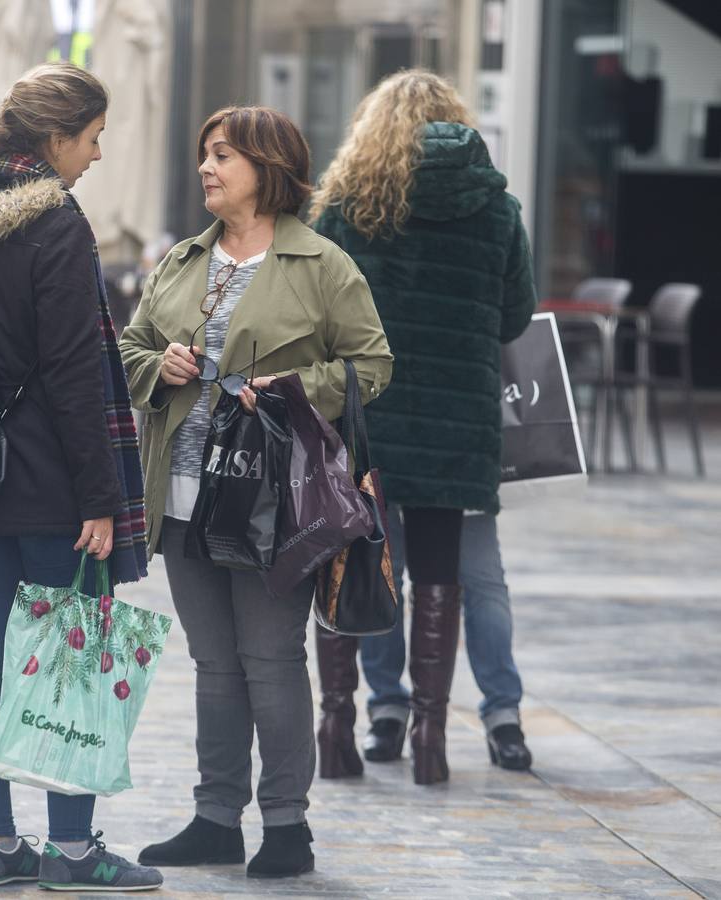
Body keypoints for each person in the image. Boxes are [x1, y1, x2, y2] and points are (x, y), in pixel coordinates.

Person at [0, 62, 160, 892]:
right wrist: (101, 499)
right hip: (53, 479)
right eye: (91, 139)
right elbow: (74, 373)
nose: (94, 155)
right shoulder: (56, 223)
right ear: (54, 139)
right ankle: (75, 854)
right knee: (71, 658)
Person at [120, 105, 392, 879]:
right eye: (205, 155)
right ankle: (215, 817)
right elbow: (129, 345)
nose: (206, 168)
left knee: (270, 659)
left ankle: (286, 825)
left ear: (267, 168)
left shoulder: (323, 264)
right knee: (214, 664)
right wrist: (157, 364)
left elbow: (371, 366)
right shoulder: (182, 259)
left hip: (274, 499)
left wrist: (291, 389)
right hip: (179, 494)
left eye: (223, 157)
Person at [309, 69, 537, 785]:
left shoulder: (348, 205)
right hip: (459, 422)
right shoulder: (498, 209)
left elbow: (314, 309)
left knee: (363, 567)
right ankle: (433, 740)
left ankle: (347, 722)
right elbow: (514, 319)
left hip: (366, 418)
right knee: (444, 574)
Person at [360, 510, 533, 770]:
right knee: (383, 570)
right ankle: (389, 706)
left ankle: (501, 711)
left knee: (481, 575)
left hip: (458, 473)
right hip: (385, 470)